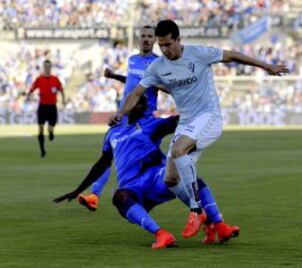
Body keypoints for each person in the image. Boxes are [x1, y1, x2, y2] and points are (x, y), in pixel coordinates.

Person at [111, 19, 289, 239]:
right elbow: (136, 93)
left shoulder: (198, 54)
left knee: (177, 151)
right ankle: (216, 223)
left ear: (178, 39)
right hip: (188, 122)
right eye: (161, 46)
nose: (165, 50)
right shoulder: (158, 67)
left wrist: (267, 66)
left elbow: (232, 55)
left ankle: (196, 211)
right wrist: (120, 113)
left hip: (209, 117)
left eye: (168, 44)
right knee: (171, 179)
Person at [54, 96, 239, 249]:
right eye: (134, 103)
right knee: (119, 197)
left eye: (141, 104)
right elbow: (102, 163)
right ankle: (162, 234)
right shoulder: (113, 133)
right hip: (134, 188)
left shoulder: (150, 124)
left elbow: (175, 122)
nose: (138, 107)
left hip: (156, 177)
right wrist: (77, 190)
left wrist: (196, 110)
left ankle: (219, 225)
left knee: (191, 180)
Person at [77, 25, 163, 210]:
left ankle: (196, 205)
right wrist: (115, 76)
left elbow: (159, 85)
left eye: (150, 36)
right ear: (139, 39)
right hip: (125, 115)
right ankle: (94, 195)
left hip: (143, 117)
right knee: (109, 154)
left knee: (150, 160)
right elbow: (133, 81)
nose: (146, 39)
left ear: (155, 40)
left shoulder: (158, 63)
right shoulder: (132, 59)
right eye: (143, 36)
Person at [26, 59, 65, 157]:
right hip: (42, 106)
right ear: (44, 67)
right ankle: (42, 150)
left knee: (51, 127)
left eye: (49, 66)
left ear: (50, 67)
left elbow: (61, 90)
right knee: (40, 128)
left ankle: (51, 132)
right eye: (46, 66)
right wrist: (28, 96)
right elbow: (32, 89)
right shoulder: (39, 79)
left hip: (52, 107)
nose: (47, 68)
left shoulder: (55, 79)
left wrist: (63, 100)